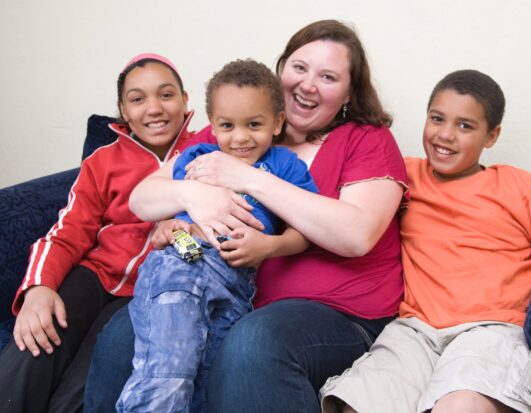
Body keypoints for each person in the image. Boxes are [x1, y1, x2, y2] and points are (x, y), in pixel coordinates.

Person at [84, 19, 408, 413]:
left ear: (348, 92)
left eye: (328, 76)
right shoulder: (235, 128)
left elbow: (356, 235)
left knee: (253, 342)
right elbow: (145, 198)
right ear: (282, 68)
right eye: (300, 68)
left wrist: (247, 179)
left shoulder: (366, 139)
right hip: (218, 286)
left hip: (338, 313)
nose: (308, 84)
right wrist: (189, 201)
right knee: (124, 333)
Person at [320, 69, 531, 413]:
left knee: (460, 407)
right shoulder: (401, 177)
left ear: (492, 136)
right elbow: (341, 199)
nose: (446, 135)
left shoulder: (520, 187)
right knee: (358, 405)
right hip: (414, 330)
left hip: (493, 329)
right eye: (437, 119)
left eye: (465, 126)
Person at [0, 53, 247, 413]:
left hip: (153, 286)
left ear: (185, 100)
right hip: (95, 274)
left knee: (87, 380)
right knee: (35, 343)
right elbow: (68, 230)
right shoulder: (103, 160)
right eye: (137, 99)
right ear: (123, 110)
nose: (154, 109)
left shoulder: (210, 150)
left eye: (166, 95)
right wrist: (39, 288)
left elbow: (222, 229)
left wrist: (185, 232)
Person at [116, 59, 318, 413]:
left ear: (277, 122)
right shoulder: (199, 157)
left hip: (238, 285)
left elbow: (305, 230)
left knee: (207, 384)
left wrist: (271, 246)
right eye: (227, 125)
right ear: (213, 125)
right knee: (167, 373)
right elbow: (160, 207)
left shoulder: (285, 166)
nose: (240, 137)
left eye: (253, 125)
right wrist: (166, 227)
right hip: (183, 264)